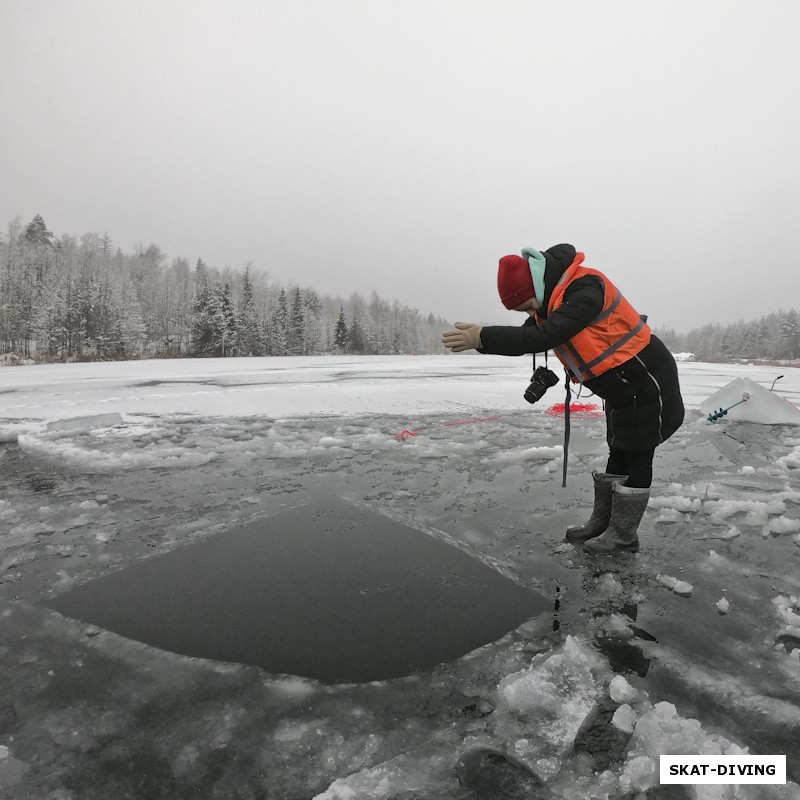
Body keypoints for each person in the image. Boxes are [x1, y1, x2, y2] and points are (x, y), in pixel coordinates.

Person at [441, 244, 684, 554]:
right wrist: (484, 341)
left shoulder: (584, 290)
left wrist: (482, 337)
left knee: (637, 454)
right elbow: (531, 332)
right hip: (622, 386)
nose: (531, 315)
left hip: (647, 377)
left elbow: (542, 336)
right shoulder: (552, 302)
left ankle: (623, 536)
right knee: (619, 450)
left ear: (537, 287)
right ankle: (603, 522)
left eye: (528, 306)